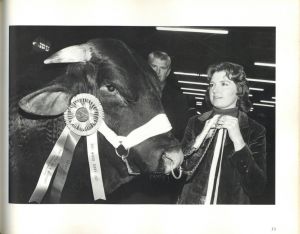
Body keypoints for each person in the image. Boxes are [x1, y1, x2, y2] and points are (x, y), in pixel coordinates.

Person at [177, 62, 267, 204]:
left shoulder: (255, 130)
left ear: (239, 89)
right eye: (212, 84)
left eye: (224, 84)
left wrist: (239, 142)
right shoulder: (195, 123)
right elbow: (179, 173)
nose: (215, 90)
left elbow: (256, 188)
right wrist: (199, 140)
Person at [148, 51, 189, 141]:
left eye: (162, 68)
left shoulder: (178, 99)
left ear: (168, 72)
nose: (157, 71)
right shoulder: (134, 93)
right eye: (154, 66)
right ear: (147, 68)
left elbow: (179, 131)